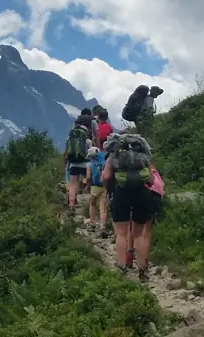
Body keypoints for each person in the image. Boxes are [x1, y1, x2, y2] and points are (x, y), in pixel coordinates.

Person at [102, 131, 155, 278]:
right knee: (139, 235)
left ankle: (121, 267)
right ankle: (143, 270)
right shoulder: (144, 158)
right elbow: (151, 180)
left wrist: (109, 187)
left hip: (121, 193)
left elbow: (105, 176)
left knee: (121, 234)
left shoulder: (114, 156)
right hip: (142, 194)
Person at [63, 118, 92, 209]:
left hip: (73, 164)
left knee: (72, 184)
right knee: (83, 179)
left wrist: (66, 164)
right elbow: (91, 153)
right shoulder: (87, 141)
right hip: (85, 165)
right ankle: (86, 203)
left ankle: (71, 204)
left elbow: (66, 153)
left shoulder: (69, 139)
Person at [86, 142, 108, 230]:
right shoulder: (105, 160)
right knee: (103, 207)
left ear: (91, 156)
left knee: (92, 204)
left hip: (94, 187)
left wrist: (88, 186)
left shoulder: (90, 164)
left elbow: (88, 177)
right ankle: (103, 226)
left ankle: (92, 223)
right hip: (105, 186)